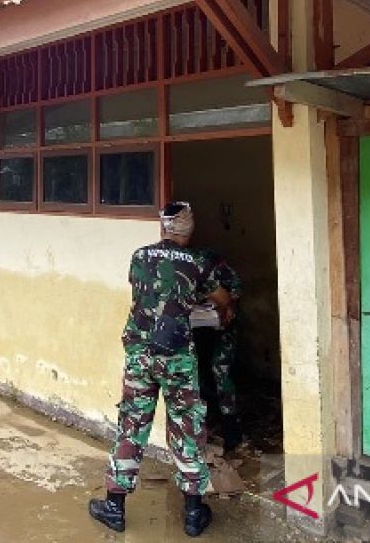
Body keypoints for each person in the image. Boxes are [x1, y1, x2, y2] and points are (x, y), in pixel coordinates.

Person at [89, 201, 233, 538]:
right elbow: (222, 298)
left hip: (141, 354)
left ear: (162, 229)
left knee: (132, 425)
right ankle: (195, 513)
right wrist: (213, 305)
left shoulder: (140, 256)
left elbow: (146, 290)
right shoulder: (198, 262)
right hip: (178, 358)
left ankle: (114, 506)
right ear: (190, 230)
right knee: (187, 428)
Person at [203, 252, 244, 454]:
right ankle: (208, 423)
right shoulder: (186, 271)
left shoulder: (221, 269)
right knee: (199, 374)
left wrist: (229, 307)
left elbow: (236, 291)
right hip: (198, 329)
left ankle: (231, 431)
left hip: (223, 328)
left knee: (221, 372)